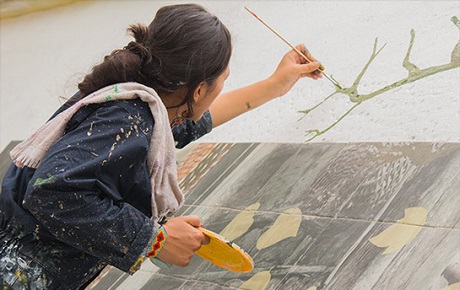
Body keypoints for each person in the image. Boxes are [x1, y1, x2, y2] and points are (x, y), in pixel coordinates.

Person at [0, 3, 322, 289]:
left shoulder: (140, 104)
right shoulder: (128, 120)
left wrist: (275, 85)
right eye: (224, 77)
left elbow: (197, 121)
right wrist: (154, 240)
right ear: (198, 91)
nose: (223, 84)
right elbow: (51, 190)